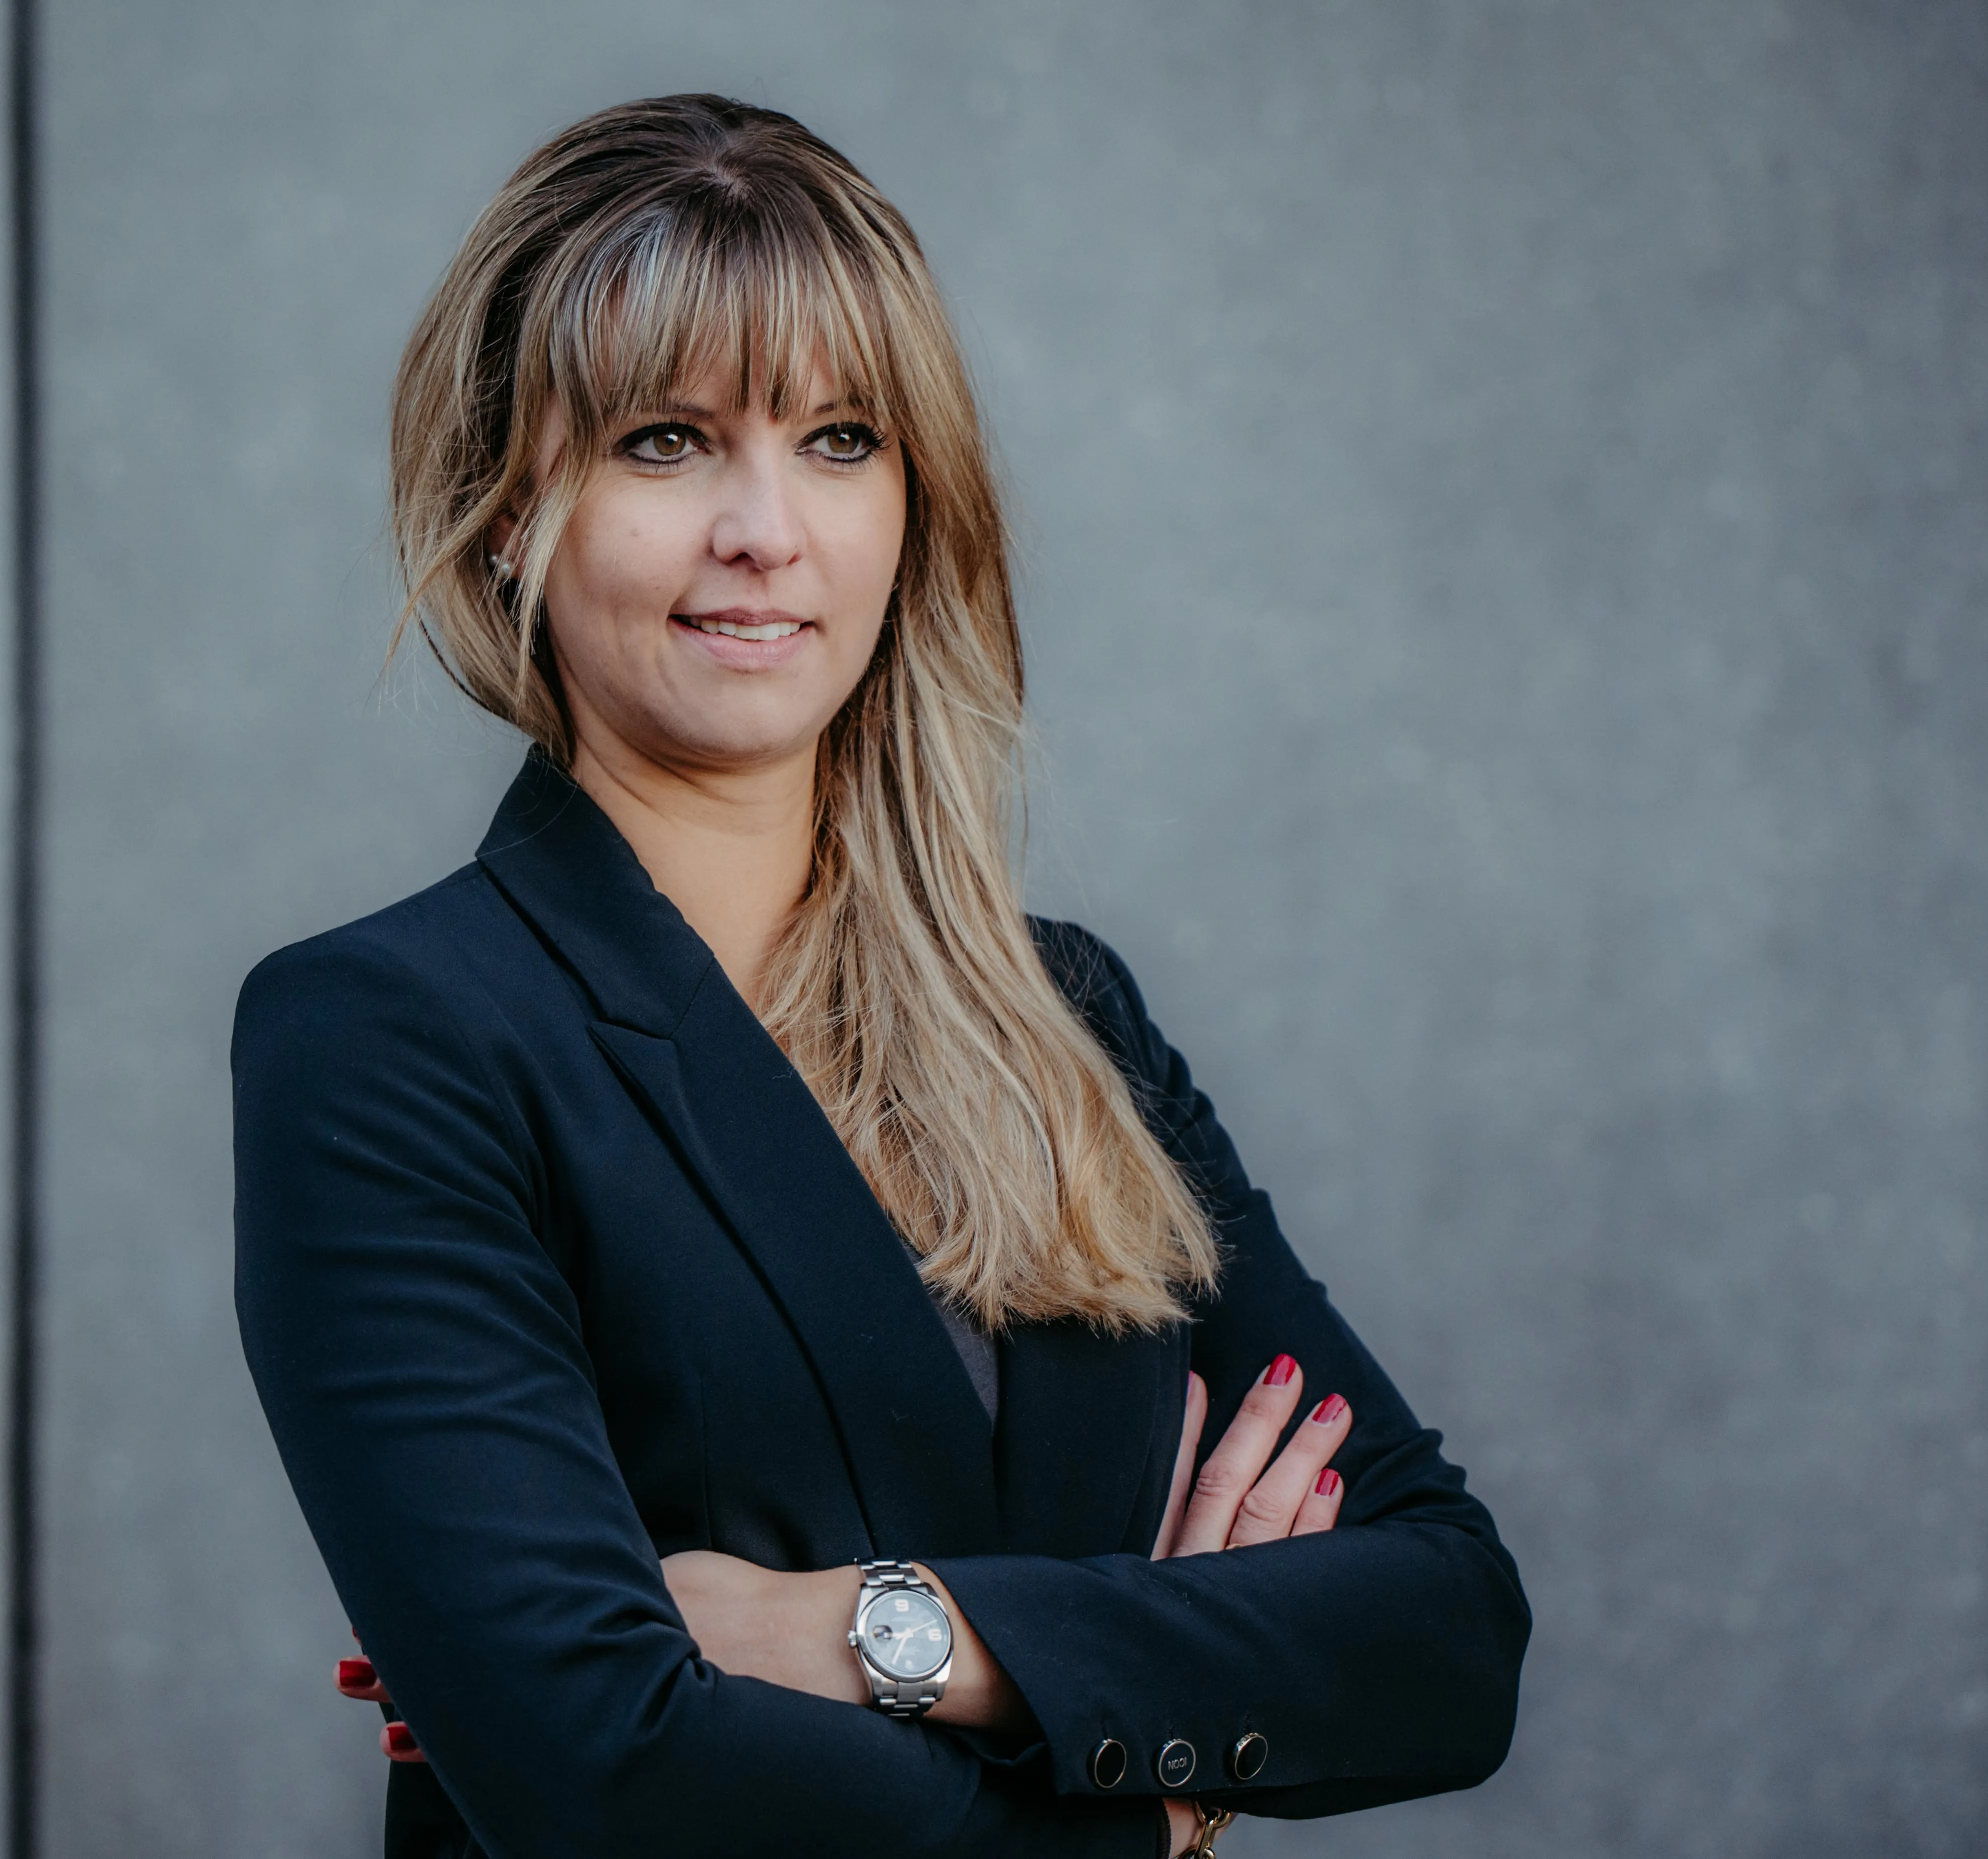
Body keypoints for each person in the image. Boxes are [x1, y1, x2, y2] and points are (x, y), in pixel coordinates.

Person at [233, 94, 1528, 1859]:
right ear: (505, 513)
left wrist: (865, 1633)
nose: (768, 530)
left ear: (918, 503)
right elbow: (610, 1774)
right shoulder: (392, 1039)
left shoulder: (1065, 1018)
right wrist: (1157, 1787)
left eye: (840, 439)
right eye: (669, 442)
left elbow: (1447, 1634)